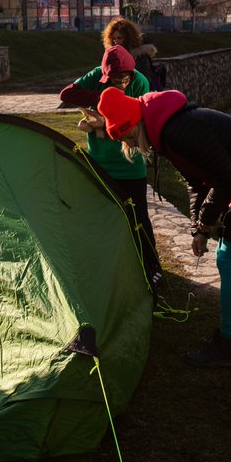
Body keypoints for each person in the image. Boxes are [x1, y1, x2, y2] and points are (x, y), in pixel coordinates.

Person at [96, 86, 231, 368]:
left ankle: (230, 344)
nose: (130, 142)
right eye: (123, 139)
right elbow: (196, 183)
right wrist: (198, 228)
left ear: (138, 122)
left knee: (228, 261)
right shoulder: (167, 130)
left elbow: (227, 176)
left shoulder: (178, 131)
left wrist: (206, 221)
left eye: (129, 134)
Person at [58, 46, 162, 290]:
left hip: (130, 164)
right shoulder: (96, 77)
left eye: (125, 79)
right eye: (116, 80)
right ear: (105, 76)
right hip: (101, 162)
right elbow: (66, 94)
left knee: (139, 218)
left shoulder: (140, 82)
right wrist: (102, 99)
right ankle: (107, 266)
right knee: (103, 215)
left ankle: (151, 267)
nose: (122, 84)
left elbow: (136, 122)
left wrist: (101, 123)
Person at [104, 17, 166, 91]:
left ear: (127, 38)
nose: (116, 42)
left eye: (119, 38)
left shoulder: (139, 55)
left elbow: (144, 79)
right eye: (114, 38)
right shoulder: (114, 55)